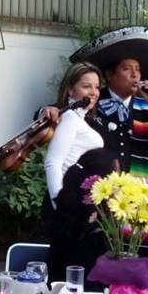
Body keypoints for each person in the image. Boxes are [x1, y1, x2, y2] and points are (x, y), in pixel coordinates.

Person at [43, 26, 148, 179]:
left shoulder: (147, 107)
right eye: (127, 69)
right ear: (109, 74)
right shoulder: (92, 101)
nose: (135, 75)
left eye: (138, 69)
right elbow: (55, 111)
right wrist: (45, 111)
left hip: (139, 189)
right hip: (98, 188)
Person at [46, 148, 120, 289]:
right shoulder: (93, 223)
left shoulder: (66, 209)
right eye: (114, 177)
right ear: (100, 182)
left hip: (59, 290)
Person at [44, 62, 103, 202]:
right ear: (70, 89)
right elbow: (53, 162)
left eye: (97, 87)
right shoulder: (70, 117)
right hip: (68, 199)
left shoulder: (79, 118)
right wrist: (58, 203)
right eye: (86, 86)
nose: (93, 92)